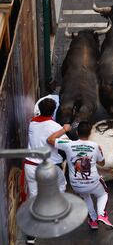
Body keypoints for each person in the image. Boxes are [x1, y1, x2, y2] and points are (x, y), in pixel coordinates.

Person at [47, 121, 113, 230]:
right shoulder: (95, 146)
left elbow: (50, 139)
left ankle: (93, 220)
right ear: (90, 133)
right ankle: (101, 214)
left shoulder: (68, 144)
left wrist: (64, 130)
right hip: (93, 182)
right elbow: (102, 163)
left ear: (77, 132)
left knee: (85, 196)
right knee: (103, 194)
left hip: (76, 184)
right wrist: (100, 152)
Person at [25, 97, 67, 244]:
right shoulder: (55, 127)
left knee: (34, 197)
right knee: (61, 186)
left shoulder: (31, 123)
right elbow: (64, 145)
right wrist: (65, 129)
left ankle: (31, 234)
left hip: (30, 166)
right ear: (53, 111)